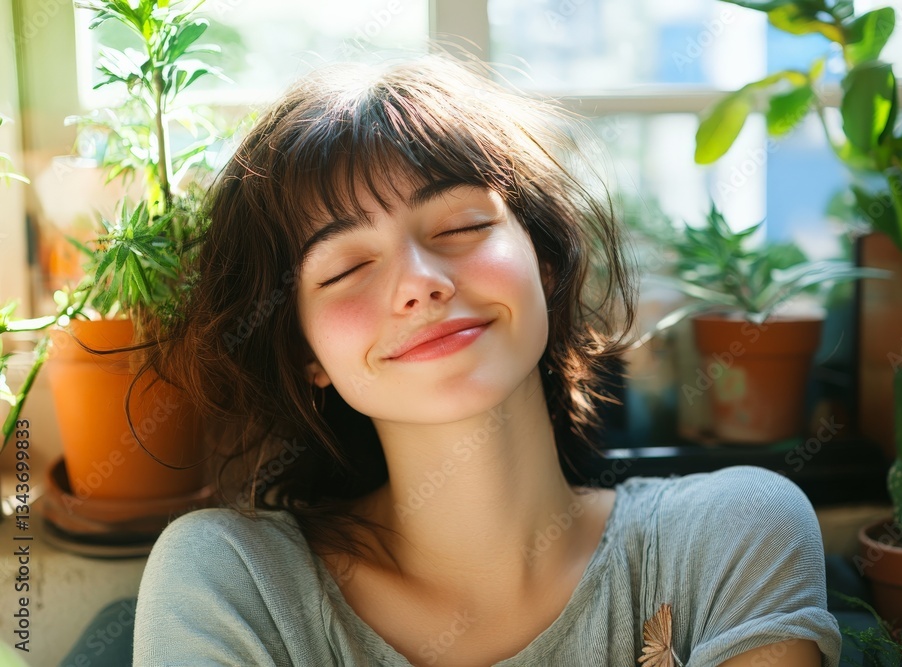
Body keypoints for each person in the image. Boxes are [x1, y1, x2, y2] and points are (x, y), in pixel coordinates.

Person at [132, 55, 841, 666]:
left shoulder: (730, 535)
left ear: (546, 260)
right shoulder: (232, 581)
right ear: (302, 351)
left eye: (462, 225)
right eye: (347, 267)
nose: (420, 282)